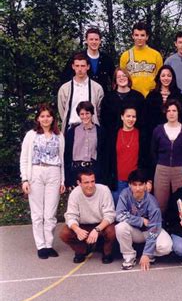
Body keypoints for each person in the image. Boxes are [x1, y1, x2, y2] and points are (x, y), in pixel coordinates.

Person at [20, 103, 65, 259]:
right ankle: (41, 246)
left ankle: (49, 244)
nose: (46, 119)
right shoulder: (31, 135)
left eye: (48, 116)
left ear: (53, 118)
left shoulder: (59, 136)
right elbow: (24, 158)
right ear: (38, 119)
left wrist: (62, 181)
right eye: (42, 116)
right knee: (37, 213)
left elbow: (62, 159)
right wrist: (25, 179)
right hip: (36, 172)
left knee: (50, 214)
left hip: (54, 172)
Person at [115, 169, 173, 271]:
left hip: (150, 231)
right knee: (120, 227)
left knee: (166, 246)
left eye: (141, 185)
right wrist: (140, 220)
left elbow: (154, 230)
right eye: (134, 185)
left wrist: (147, 253)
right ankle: (129, 257)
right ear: (129, 185)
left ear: (146, 185)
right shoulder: (125, 194)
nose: (138, 188)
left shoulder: (152, 202)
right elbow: (119, 215)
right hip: (135, 231)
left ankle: (149, 255)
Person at [60, 169, 116, 264]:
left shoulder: (104, 190)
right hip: (83, 225)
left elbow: (110, 215)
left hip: (101, 225)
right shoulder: (75, 194)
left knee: (112, 231)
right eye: (86, 182)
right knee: (64, 233)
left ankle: (107, 252)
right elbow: (70, 216)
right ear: (79, 183)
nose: (90, 185)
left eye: (92, 181)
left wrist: (97, 230)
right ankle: (82, 250)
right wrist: (77, 230)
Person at [150, 99, 182, 215]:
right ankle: (160, 228)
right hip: (162, 169)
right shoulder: (158, 130)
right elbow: (153, 151)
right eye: (168, 110)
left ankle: (179, 229)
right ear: (165, 113)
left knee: (180, 202)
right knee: (160, 202)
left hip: (180, 169)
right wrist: (158, 164)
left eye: (174, 110)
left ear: (178, 112)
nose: (171, 113)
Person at [107, 105, 150, 206]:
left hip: (137, 182)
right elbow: (108, 159)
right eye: (128, 116)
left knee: (136, 212)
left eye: (133, 117)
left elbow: (146, 159)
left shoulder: (141, 134)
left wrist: (147, 180)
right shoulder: (114, 134)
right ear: (122, 117)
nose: (131, 119)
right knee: (119, 214)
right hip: (118, 182)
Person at [58, 53, 104, 133]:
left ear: (88, 67)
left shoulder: (97, 88)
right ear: (73, 67)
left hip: (91, 129)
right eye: (77, 66)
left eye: (82, 66)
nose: (80, 69)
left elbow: (99, 111)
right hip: (71, 129)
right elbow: (62, 111)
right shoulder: (64, 88)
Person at [64, 101, 106, 188]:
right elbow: (67, 155)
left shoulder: (100, 131)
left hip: (93, 170)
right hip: (76, 171)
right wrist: (68, 179)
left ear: (92, 114)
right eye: (82, 114)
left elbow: (103, 155)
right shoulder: (72, 131)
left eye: (87, 113)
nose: (85, 116)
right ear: (79, 115)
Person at [61, 27, 114, 92]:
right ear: (86, 40)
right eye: (91, 39)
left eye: (96, 39)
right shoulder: (76, 58)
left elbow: (114, 80)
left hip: (102, 98)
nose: (94, 42)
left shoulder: (107, 60)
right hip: (81, 96)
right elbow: (66, 78)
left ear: (100, 41)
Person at [119, 21, 163, 97]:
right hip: (131, 96)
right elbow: (122, 79)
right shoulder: (125, 55)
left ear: (147, 37)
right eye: (136, 35)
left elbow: (160, 79)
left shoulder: (156, 55)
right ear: (132, 36)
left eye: (142, 35)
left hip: (151, 96)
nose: (139, 38)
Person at [144, 65, 182, 139]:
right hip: (154, 136)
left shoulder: (179, 96)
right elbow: (146, 118)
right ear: (159, 78)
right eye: (163, 76)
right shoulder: (151, 96)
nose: (166, 78)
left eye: (169, 76)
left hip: (175, 136)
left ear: (173, 78)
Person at [100, 68, 145, 135]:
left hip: (134, 136)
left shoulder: (138, 97)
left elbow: (143, 120)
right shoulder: (108, 98)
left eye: (124, 76)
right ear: (115, 80)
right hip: (112, 137)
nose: (122, 78)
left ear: (128, 78)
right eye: (118, 77)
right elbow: (104, 121)